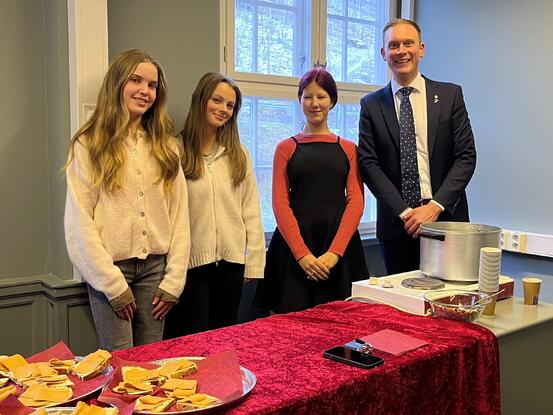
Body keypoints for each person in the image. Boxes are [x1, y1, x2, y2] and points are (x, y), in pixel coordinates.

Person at [64, 49, 190, 351]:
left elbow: (180, 216)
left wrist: (174, 282)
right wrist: (112, 284)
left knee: (150, 362)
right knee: (119, 365)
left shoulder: (165, 147)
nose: (145, 91)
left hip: (156, 272)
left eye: (152, 85)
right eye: (136, 80)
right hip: (110, 269)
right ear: (118, 83)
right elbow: (79, 220)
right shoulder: (89, 144)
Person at [357, 18, 477, 275]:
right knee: (402, 311)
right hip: (398, 227)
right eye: (393, 45)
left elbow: (466, 157)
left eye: (408, 43)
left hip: (447, 223)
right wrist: (406, 212)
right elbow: (368, 164)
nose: (401, 51)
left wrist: (434, 207)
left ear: (420, 48)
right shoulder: (371, 105)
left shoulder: (449, 96)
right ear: (383, 53)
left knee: (449, 306)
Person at [254, 67, 369, 313]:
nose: (314, 103)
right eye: (307, 96)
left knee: (341, 323)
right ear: (299, 100)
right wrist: (302, 256)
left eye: (321, 96)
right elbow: (280, 203)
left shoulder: (348, 149)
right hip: (294, 249)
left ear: (333, 101)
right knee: (291, 327)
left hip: (339, 247)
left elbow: (356, 202)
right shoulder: (286, 148)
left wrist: (334, 253)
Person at [163, 72, 265, 337]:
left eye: (230, 105)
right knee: (192, 343)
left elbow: (251, 211)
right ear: (200, 100)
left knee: (223, 341)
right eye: (217, 100)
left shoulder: (238, 155)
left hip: (231, 266)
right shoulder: (175, 150)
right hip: (190, 267)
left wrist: (254, 261)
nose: (223, 110)